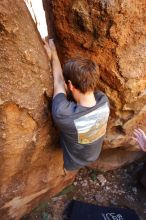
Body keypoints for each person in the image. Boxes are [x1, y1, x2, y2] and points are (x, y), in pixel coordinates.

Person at [44, 39, 110, 171]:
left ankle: (66, 171)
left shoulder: (63, 114)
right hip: (93, 154)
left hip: (74, 160)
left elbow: (58, 82)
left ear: (70, 85)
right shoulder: (104, 101)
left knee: (69, 167)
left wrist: (54, 53)